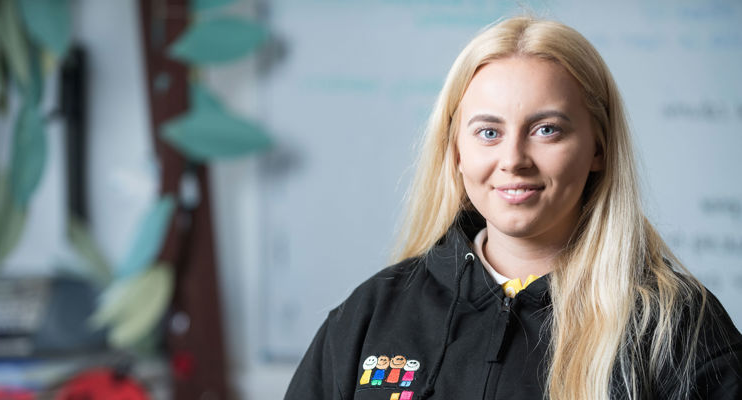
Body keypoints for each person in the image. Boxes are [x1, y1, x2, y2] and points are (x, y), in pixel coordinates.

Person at [284, 16, 742, 400]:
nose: (513, 160)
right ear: (456, 151)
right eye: (488, 132)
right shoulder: (370, 316)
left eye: (547, 130)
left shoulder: (677, 328)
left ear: (598, 148)